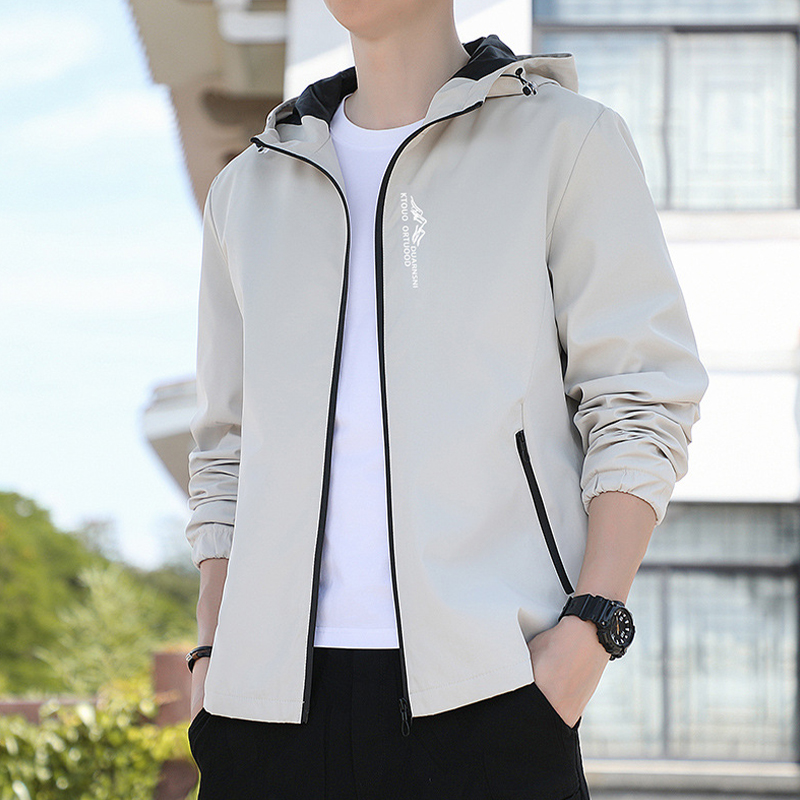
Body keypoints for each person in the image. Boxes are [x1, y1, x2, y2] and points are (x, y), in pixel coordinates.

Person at [183, 1, 708, 797]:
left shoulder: (565, 141)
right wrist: (212, 655)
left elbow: (640, 398)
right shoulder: (248, 187)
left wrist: (591, 628)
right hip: (259, 718)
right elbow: (225, 448)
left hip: (491, 701)